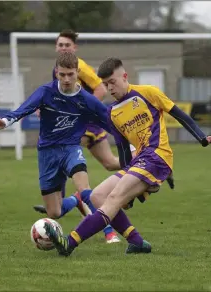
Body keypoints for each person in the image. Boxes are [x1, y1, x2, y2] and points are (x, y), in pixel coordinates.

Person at [44, 57, 211, 257]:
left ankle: (69, 243)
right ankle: (136, 241)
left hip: (157, 156)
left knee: (114, 198)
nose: (110, 88)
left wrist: (201, 138)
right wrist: (126, 175)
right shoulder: (112, 112)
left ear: (125, 76)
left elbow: (179, 115)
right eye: (106, 84)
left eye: (112, 82)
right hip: (139, 161)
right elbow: (123, 150)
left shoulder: (148, 92)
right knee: (97, 196)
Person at [0, 52, 116, 243]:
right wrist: (4, 122)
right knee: (54, 212)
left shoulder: (86, 100)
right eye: (62, 74)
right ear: (56, 72)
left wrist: (132, 141)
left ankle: (109, 232)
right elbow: (24, 109)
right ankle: (75, 201)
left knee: (85, 188)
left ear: (77, 73)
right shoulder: (45, 92)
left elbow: (111, 122)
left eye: (70, 74)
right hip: (47, 153)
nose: (66, 79)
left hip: (72, 149)